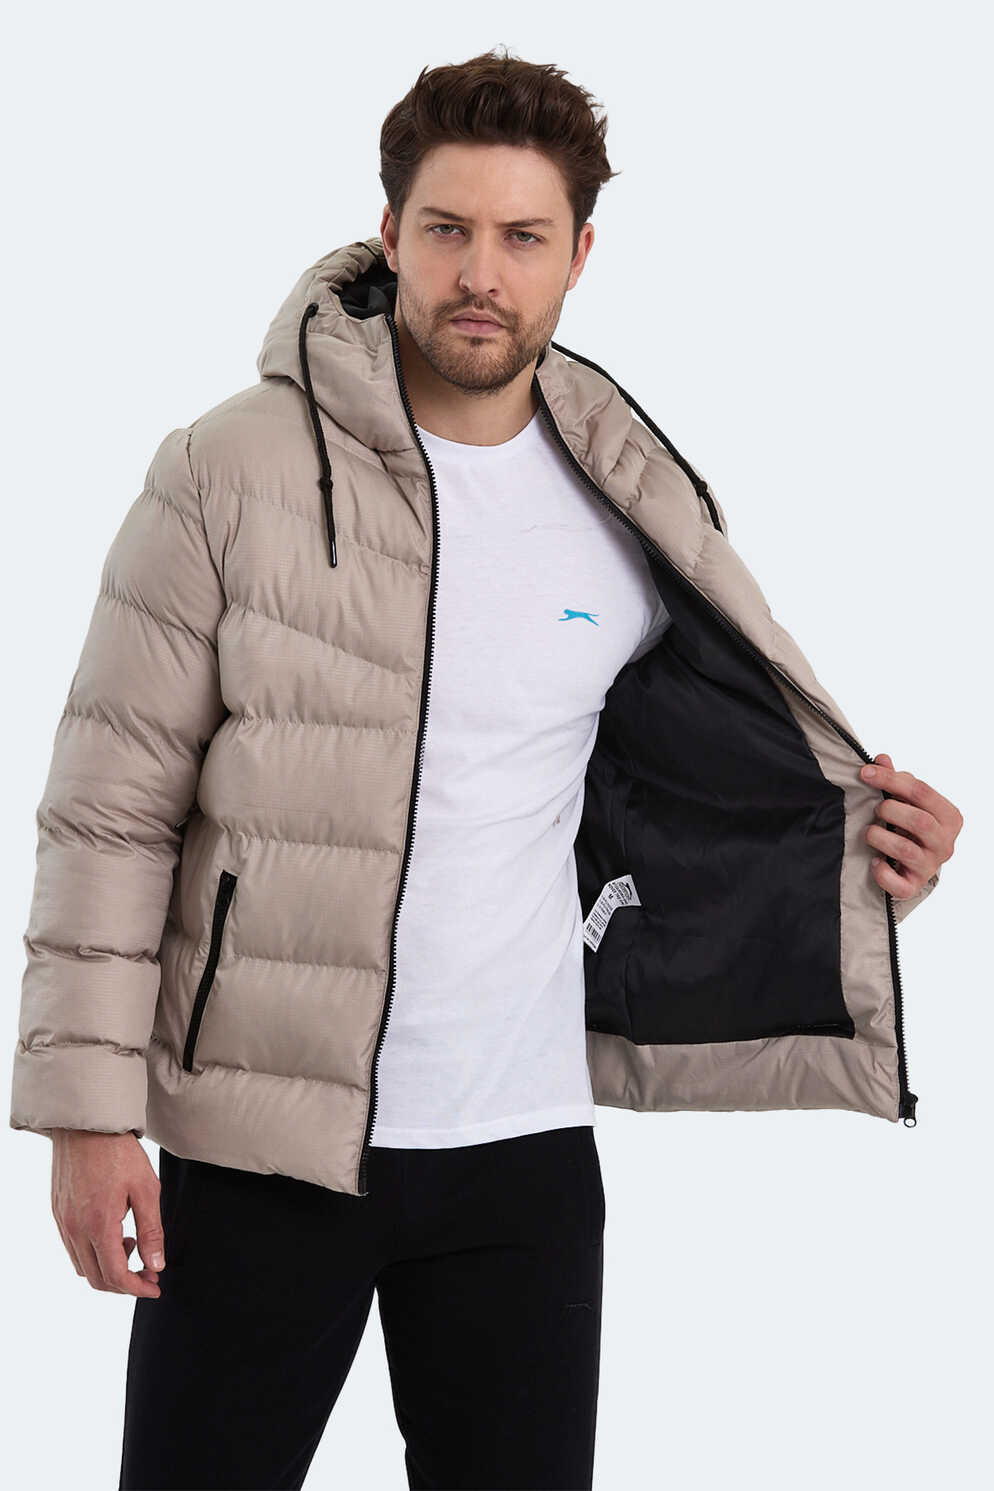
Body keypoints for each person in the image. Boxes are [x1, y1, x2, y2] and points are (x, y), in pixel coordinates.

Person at [9, 46, 962, 1491]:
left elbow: (677, 791)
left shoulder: (629, 491)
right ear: (389, 233)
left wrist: (867, 865)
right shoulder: (226, 469)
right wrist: (86, 1117)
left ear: (579, 255)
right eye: (447, 228)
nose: (480, 274)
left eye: (522, 237)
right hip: (263, 1145)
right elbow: (110, 810)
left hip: (522, 1157)